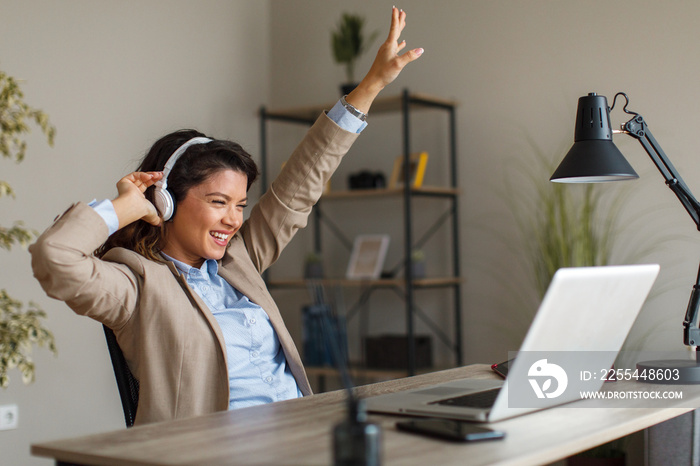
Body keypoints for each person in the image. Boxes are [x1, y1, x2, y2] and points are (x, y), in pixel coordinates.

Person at [30, 7, 423, 426]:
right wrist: (123, 207)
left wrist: (371, 86)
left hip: (300, 437)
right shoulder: (135, 285)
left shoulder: (239, 261)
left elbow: (301, 185)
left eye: (239, 205)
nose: (234, 220)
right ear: (166, 201)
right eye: (219, 202)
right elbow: (54, 257)